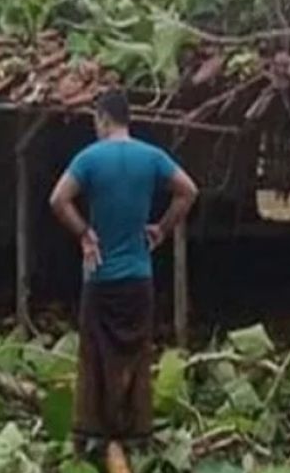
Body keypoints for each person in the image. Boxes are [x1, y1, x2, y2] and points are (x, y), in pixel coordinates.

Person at [49, 89, 198, 454]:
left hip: (100, 276)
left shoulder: (89, 158)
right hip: (139, 277)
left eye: (95, 122)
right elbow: (188, 191)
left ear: (102, 118)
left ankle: (89, 433)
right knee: (136, 352)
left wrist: (85, 233)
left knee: (94, 354)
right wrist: (161, 228)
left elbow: (57, 199)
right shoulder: (152, 157)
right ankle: (137, 434)